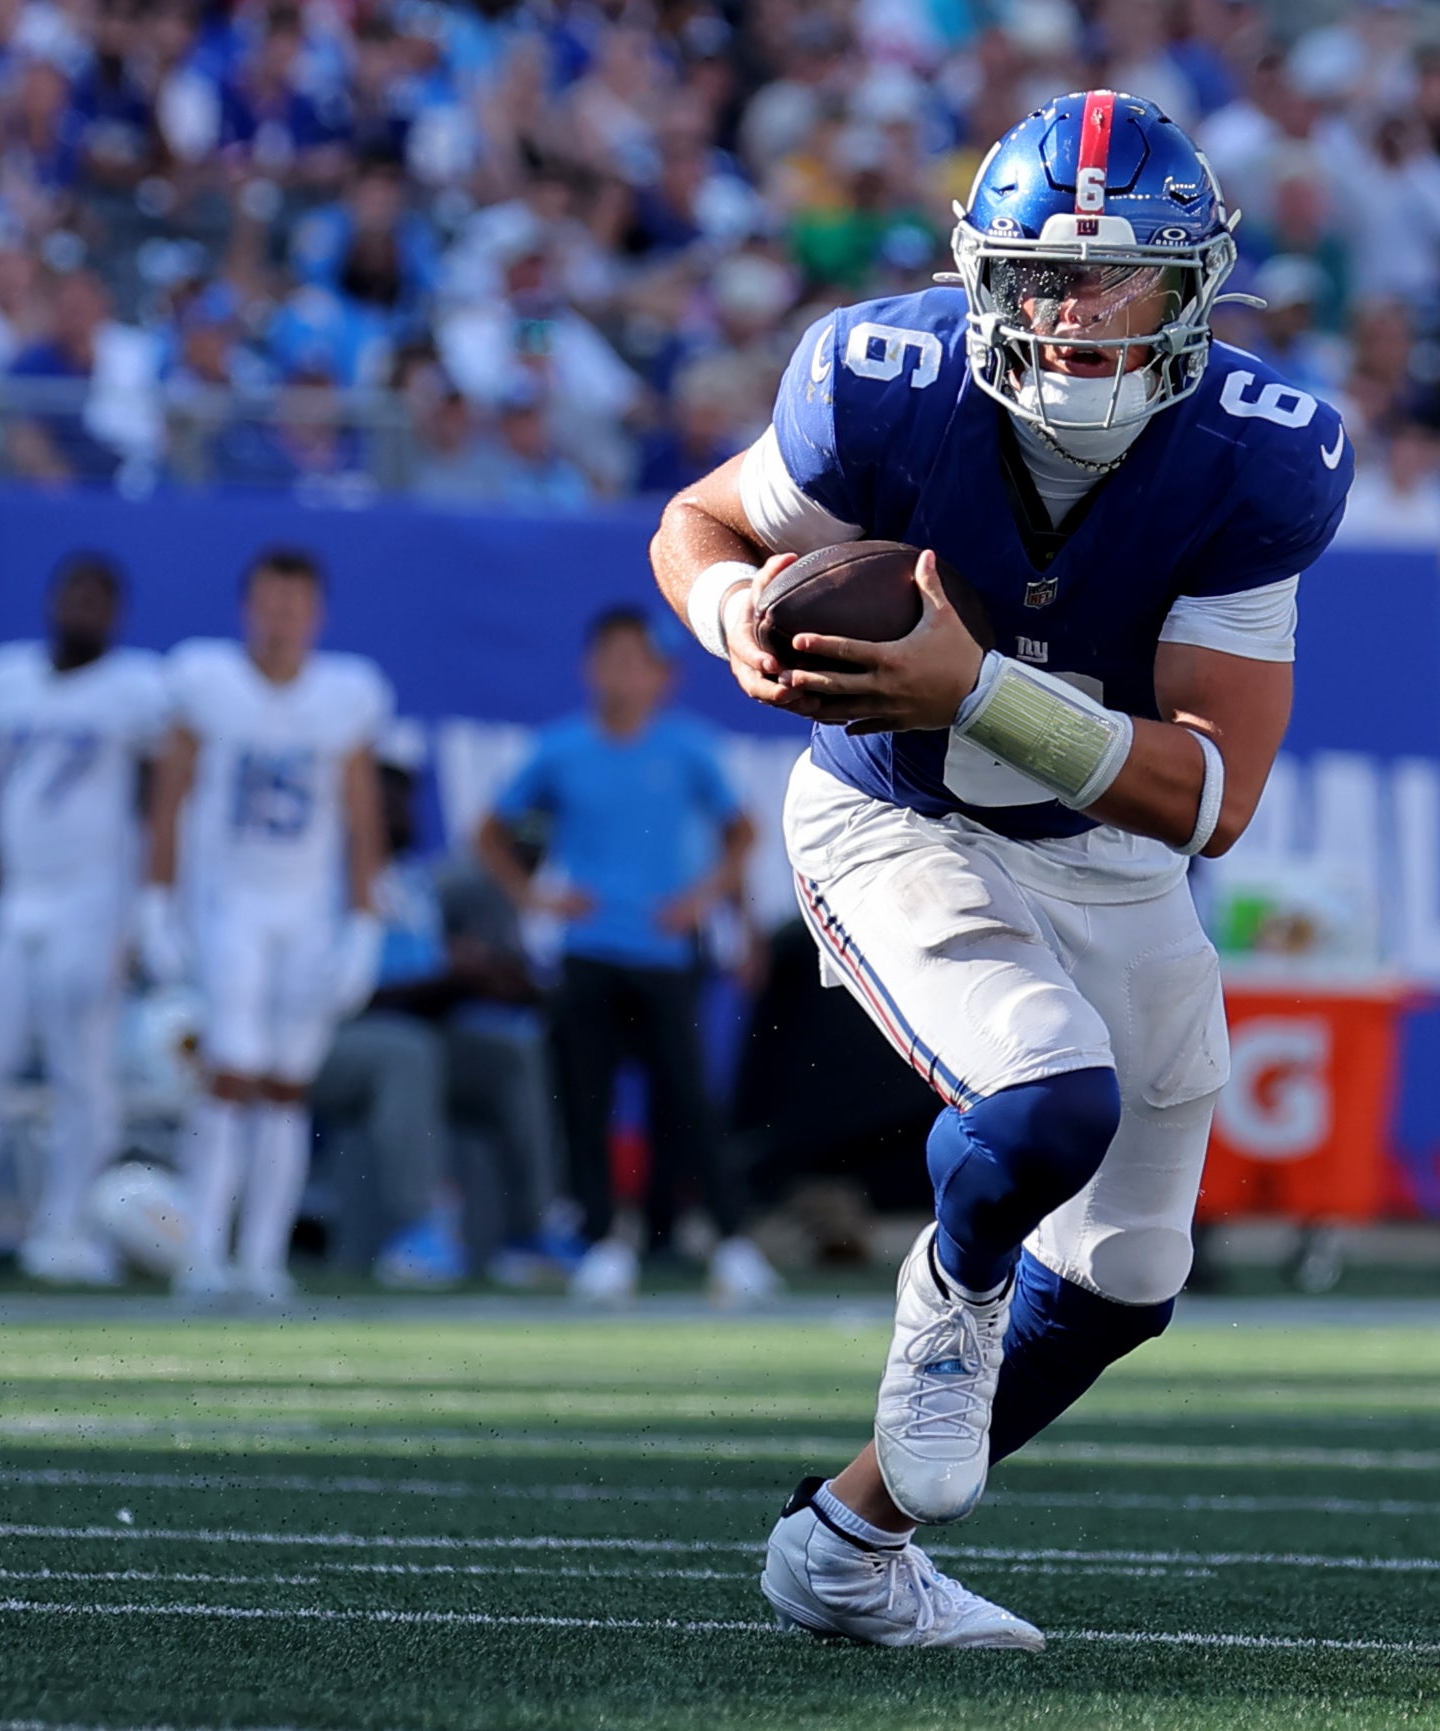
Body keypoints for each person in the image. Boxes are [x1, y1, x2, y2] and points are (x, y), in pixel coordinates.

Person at [650, 92, 1348, 1647]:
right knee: (1048, 1099)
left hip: (1107, 848)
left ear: (1199, 291)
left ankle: (844, 1545)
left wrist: (979, 688)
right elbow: (695, 523)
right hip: (894, 815)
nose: (1086, 316)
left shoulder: (1259, 454)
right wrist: (737, 614)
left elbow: (1212, 794)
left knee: (1129, 1271)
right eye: (1048, 276)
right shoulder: (878, 383)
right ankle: (952, 1292)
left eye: (1130, 281)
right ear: (982, 278)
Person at [472, 605, 775, 1306]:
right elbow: (490, 831)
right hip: (589, 951)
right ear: (591, 667)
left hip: (669, 952)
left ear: (661, 676)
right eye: (612, 659)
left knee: (690, 1102)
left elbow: (744, 834)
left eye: (638, 662)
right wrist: (536, 896)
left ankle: (731, 1242)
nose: (624, 675)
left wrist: (709, 899)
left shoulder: (690, 748)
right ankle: (603, 1242)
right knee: (587, 1101)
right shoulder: (561, 748)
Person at [140, 547, 390, 1303]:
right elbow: (171, 793)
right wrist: (157, 896)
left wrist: (364, 919)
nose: (281, 621)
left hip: (306, 908)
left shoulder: (344, 694)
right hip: (231, 903)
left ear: (317, 615)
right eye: (270, 604)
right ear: (248, 608)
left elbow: (361, 811)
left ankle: (262, 1257)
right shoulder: (208, 682)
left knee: (286, 1084)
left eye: (295, 606)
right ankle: (203, 1252)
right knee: (229, 1074)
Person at [0, 554, 169, 1288]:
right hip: (4, 897)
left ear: (117, 612)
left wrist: (146, 907)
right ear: (54, 599)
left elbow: (158, 799)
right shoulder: (2, 678)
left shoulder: (138, 690)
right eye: (76, 594)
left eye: (100, 598)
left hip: (93, 899)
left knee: (81, 1071)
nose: (85, 609)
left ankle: (63, 1227)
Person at [316, 751, 559, 1289]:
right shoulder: (320, 879)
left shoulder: (411, 883)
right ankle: (415, 1233)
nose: (403, 815)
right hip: (314, 1046)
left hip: (407, 1032)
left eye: (407, 801)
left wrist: (491, 980)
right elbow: (349, 999)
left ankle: (529, 1235)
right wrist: (453, 979)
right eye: (387, 803)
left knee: (506, 1059)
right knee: (407, 1052)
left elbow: (427, 981)